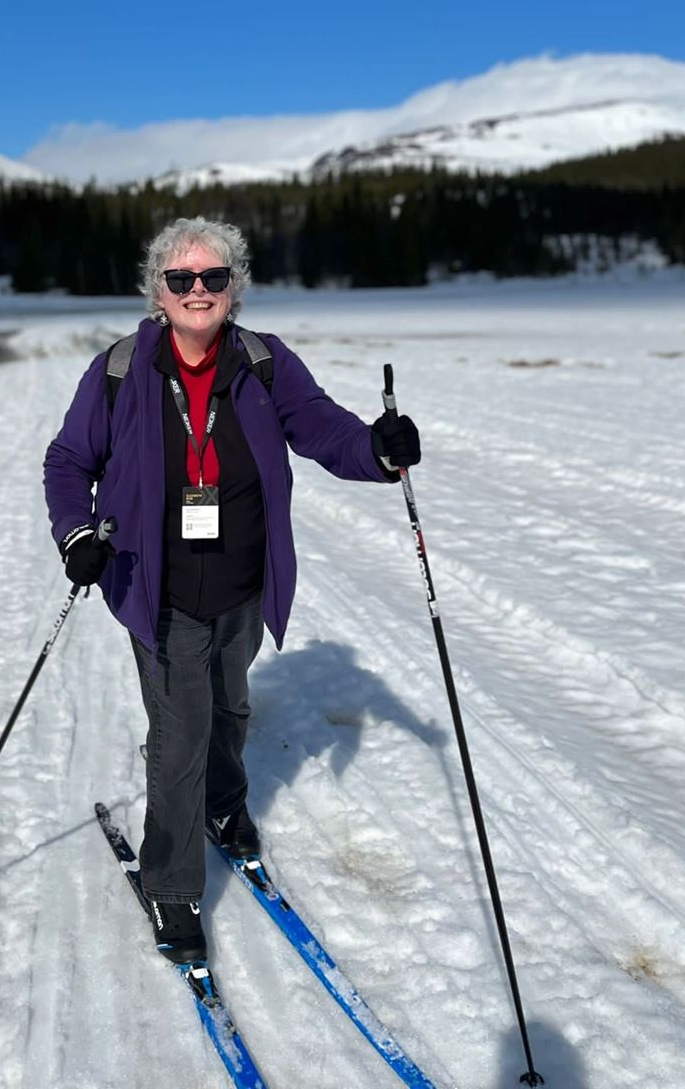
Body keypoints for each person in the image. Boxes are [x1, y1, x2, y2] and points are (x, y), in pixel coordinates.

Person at [43, 216, 420, 964]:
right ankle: (172, 884)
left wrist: (378, 451)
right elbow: (66, 461)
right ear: (158, 291)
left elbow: (322, 430)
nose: (198, 291)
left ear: (234, 287)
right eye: (181, 279)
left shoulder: (264, 363)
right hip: (159, 587)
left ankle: (223, 806)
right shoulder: (118, 372)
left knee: (230, 703)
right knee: (179, 735)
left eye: (213, 277)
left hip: (245, 581)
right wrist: (75, 533)